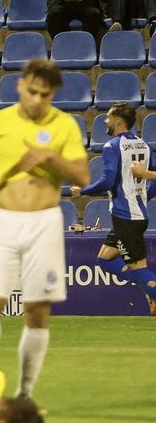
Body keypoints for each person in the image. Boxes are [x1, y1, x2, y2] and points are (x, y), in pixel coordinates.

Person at [0, 59, 89, 398]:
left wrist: (50, 158)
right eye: (31, 92)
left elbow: (83, 178)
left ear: (53, 94)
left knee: (36, 312)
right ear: (20, 86)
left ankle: (24, 395)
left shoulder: (65, 126)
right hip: (5, 221)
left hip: (45, 222)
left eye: (45, 95)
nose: (36, 100)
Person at [71, 102, 156, 315]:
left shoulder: (112, 146)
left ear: (118, 122)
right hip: (134, 214)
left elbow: (108, 181)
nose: (105, 121)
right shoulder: (144, 145)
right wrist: (144, 197)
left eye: (108, 118)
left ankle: (151, 289)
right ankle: (148, 287)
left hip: (126, 216)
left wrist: (83, 191)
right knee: (105, 259)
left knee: (138, 267)